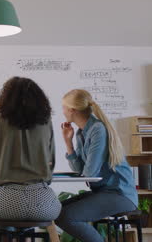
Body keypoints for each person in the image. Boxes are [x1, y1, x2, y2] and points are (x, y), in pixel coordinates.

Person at [55, 89, 138, 242]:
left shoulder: (97, 130)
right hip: (104, 192)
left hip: (120, 194)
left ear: (72, 110)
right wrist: (68, 142)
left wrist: (85, 172)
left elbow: (88, 174)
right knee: (56, 211)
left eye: (64, 107)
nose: (63, 111)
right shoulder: (81, 132)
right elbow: (81, 171)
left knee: (67, 217)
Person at [0, 77, 61, 225]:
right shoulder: (46, 121)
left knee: (1, 214)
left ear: (6, 97)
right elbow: (51, 161)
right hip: (42, 203)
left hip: (5, 202)